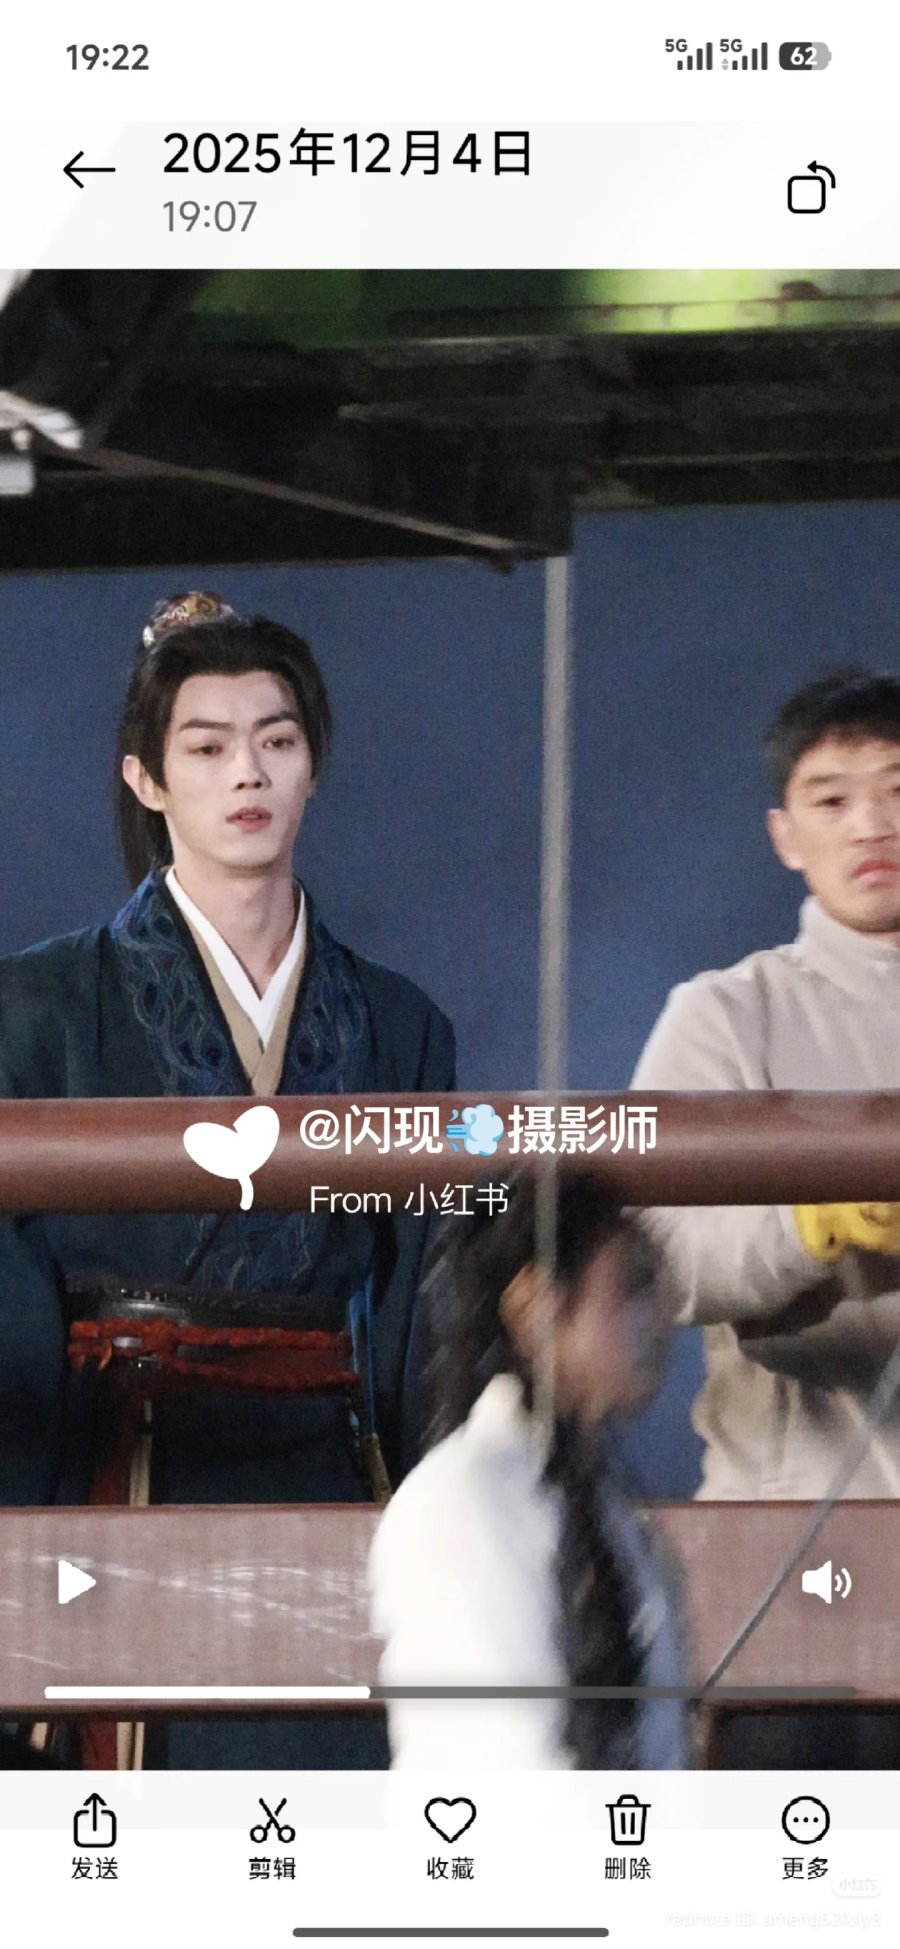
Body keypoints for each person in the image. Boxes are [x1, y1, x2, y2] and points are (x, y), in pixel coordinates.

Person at [0, 590, 456, 1767]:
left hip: (330, 1469)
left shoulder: (400, 1022)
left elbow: (421, 1313)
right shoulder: (34, 1010)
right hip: (120, 1469)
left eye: (276, 738)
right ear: (146, 778)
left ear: (313, 766)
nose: (246, 771)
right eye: (206, 746)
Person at [631, 669, 900, 1767]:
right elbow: (655, 1258)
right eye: (833, 798)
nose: (872, 823)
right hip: (797, 1550)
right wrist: (811, 1223)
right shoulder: (727, 1014)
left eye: (897, 789)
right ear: (786, 835)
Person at [369, 1173, 688, 1769]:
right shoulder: (460, 1503)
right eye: (633, 1287)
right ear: (534, 1308)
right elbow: (508, 1774)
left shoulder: (608, 1505)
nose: (662, 1317)